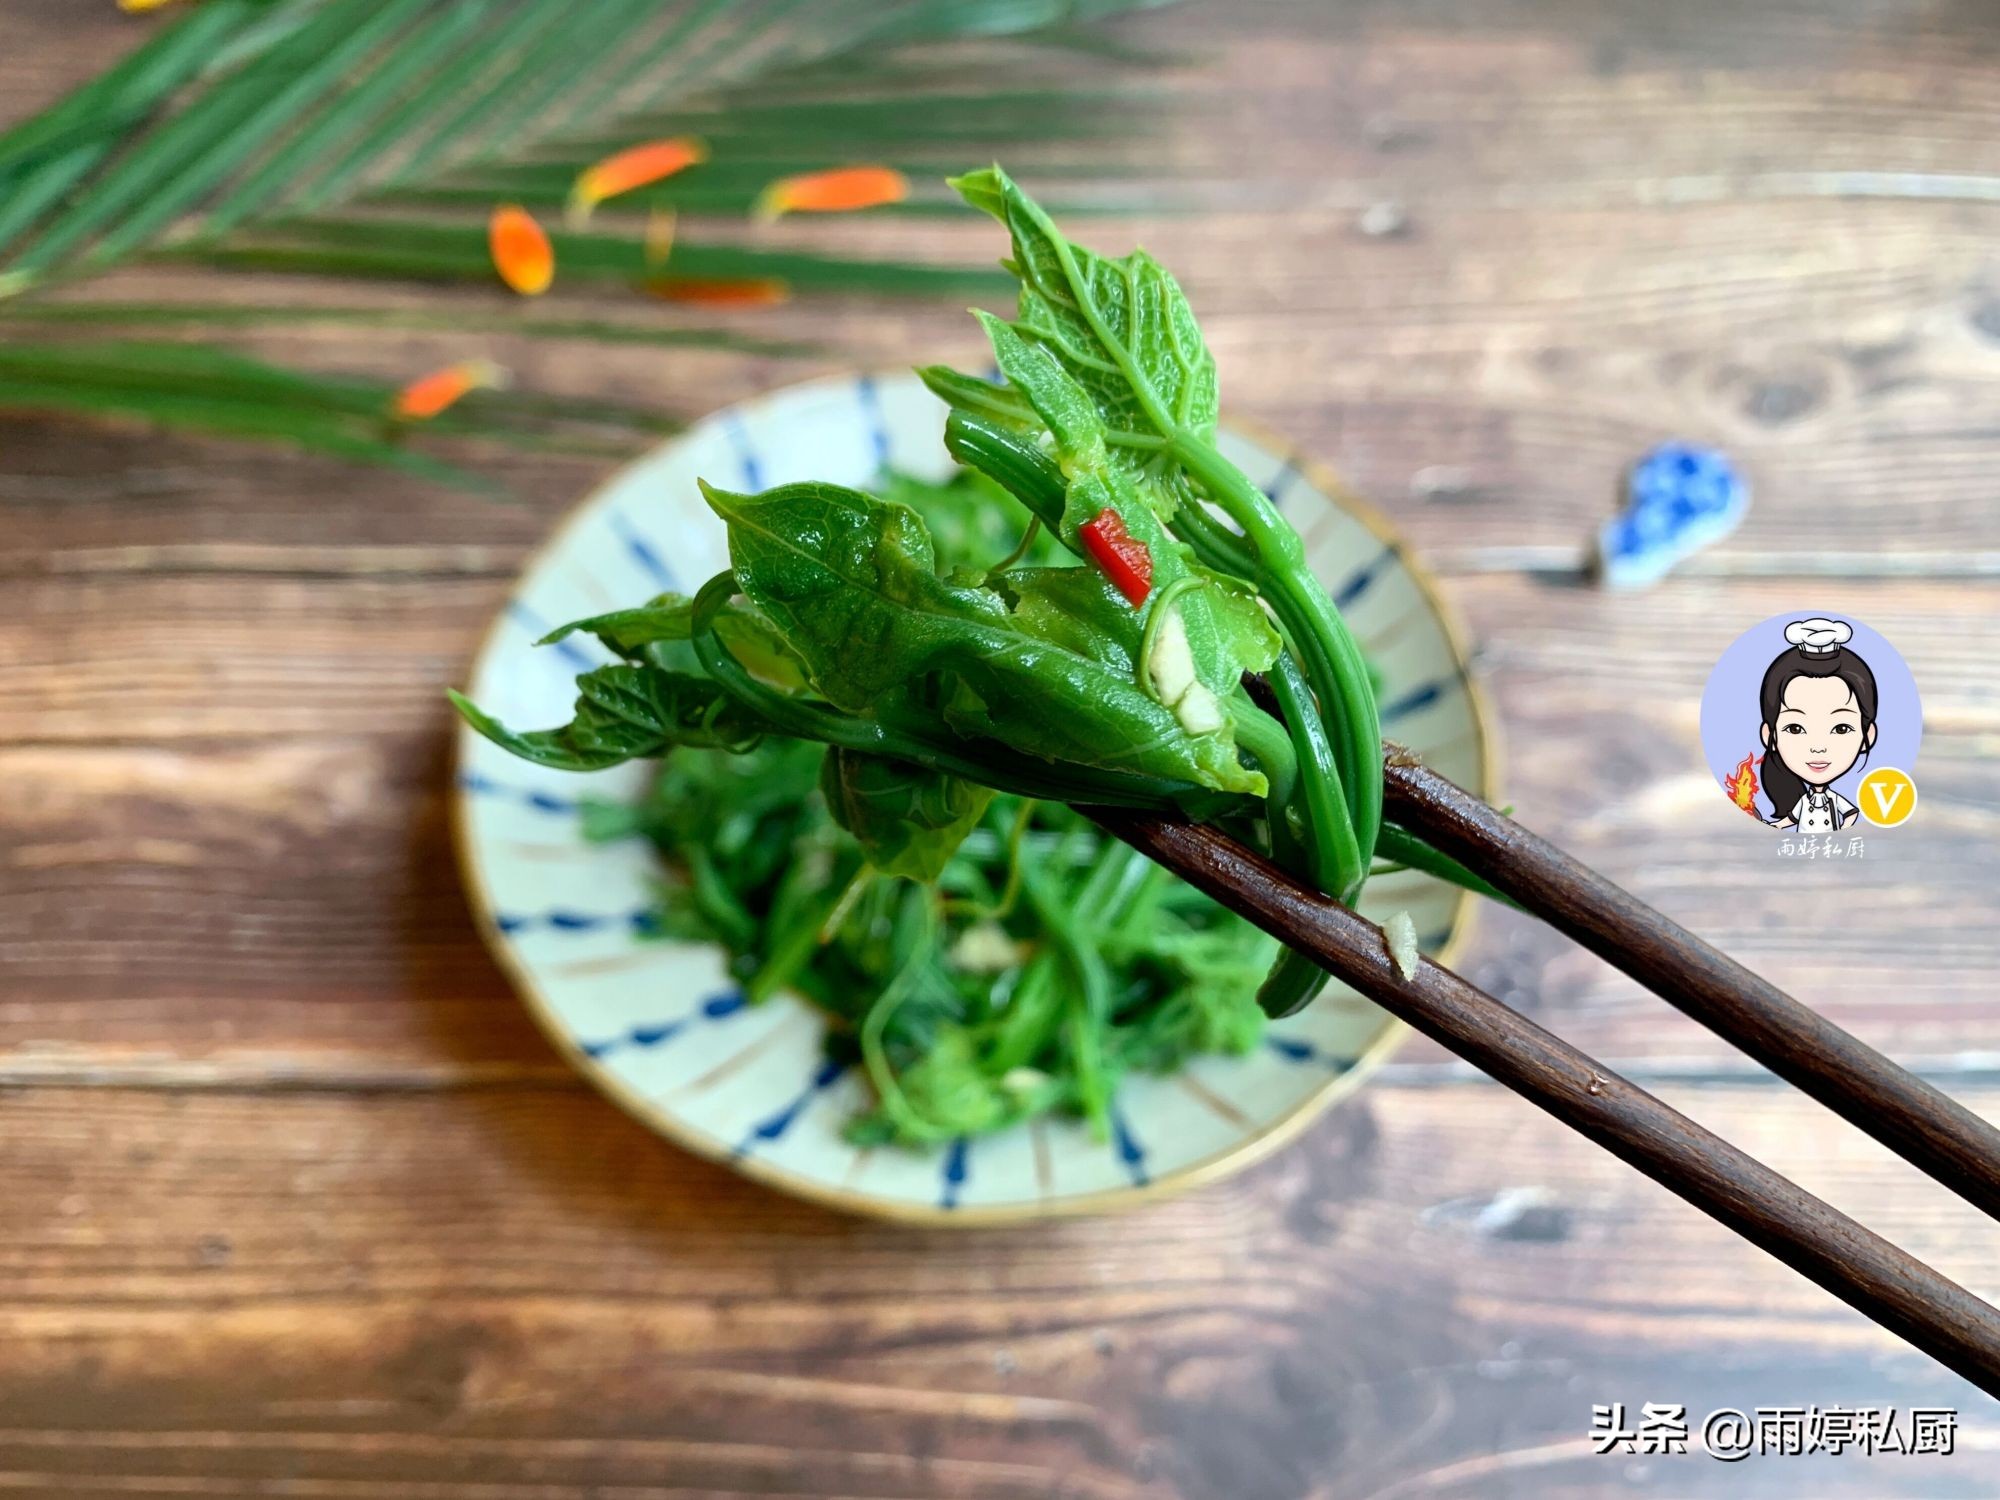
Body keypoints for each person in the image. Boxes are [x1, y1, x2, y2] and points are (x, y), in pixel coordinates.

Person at [1757, 618, 1876, 831]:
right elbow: (1790, 820)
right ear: (1769, 736)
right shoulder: (1802, 802)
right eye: (1795, 728)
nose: (1818, 747)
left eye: (1841, 728)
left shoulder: (1833, 799)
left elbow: (1852, 814)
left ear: (1868, 735)